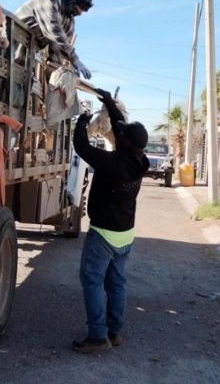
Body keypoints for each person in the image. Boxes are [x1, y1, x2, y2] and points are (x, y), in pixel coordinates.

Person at [71, 87, 150, 354]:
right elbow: (120, 128)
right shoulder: (140, 160)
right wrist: (108, 101)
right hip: (125, 235)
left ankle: (97, 336)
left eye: (122, 134)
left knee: (91, 280)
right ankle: (114, 332)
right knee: (116, 283)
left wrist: (82, 120)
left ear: (124, 142)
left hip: (103, 235)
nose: (119, 131)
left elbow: (82, 146)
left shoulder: (112, 163)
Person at [14, 0, 93, 79]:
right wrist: (75, 59)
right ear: (71, 0)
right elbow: (54, 31)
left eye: (81, 12)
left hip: (31, 48)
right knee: (10, 74)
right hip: (13, 34)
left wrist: (59, 76)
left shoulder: (69, 23)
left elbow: (59, 52)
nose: (79, 13)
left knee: (24, 80)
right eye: (77, 9)